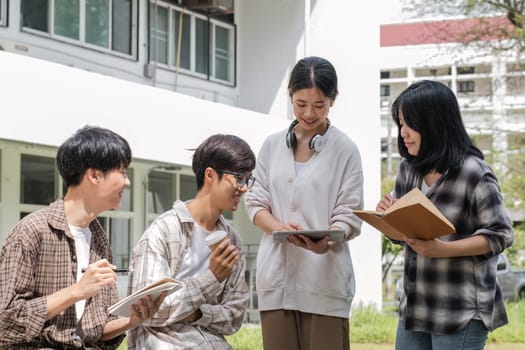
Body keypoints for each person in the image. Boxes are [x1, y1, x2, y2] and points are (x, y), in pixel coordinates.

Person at [376, 80, 514, 350]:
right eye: (400, 124)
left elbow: (500, 235)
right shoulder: (408, 170)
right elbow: (407, 238)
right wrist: (388, 219)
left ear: (434, 122)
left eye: (409, 123)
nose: (403, 132)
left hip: (459, 311)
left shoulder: (474, 172)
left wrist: (442, 250)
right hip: (415, 308)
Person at [0, 125, 165, 349]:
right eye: (123, 171)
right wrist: (76, 291)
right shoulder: (31, 232)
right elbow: (6, 321)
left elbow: (96, 327)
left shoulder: (98, 238)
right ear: (94, 175)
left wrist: (132, 320)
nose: (127, 182)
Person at [244, 56, 364, 350]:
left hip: (324, 279)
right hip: (277, 280)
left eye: (319, 105)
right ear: (290, 97)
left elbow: (349, 213)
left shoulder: (345, 149)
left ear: (333, 100)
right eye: (300, 104)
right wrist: (278, 227)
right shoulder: (273, 145)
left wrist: (327, 241)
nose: (309, 113)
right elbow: (255, 202)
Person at [127, 134, 255, 349]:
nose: (244, 188)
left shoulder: (232, 240)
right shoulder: (164, 230)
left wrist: (195, 313)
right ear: (210, 175)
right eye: (239, 178)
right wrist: (212, 278)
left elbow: (234, 317)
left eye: (248, 179)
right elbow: (148, 312)